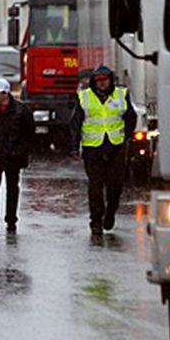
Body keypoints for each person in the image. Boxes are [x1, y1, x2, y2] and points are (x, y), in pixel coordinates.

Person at [69, 64, 136, 235]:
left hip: (116, 145)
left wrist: (126, 137)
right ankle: (96, 221)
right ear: (94, 82)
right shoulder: (84, 97)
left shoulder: (121, 95)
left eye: (105, 80)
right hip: (93, 147)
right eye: (98, 81)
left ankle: (111, 213)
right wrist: (74, 147)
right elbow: (76, 124)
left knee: (116, 185)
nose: (102, 83)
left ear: (110, 80)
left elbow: (131, 117)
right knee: (95, 186)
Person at [0, 77, 35, 234]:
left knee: (12, 188)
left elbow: (29, 133)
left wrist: (23, 151)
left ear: (6, 94)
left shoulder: (21, 111)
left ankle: (11, 220)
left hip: (13, 157)